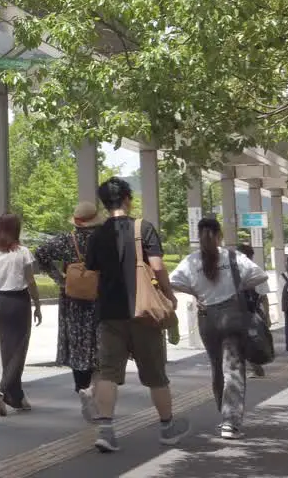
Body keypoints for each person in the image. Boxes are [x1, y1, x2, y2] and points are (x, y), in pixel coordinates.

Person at [84, 177, 191, 453]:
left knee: (108, 373)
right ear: (128, 198)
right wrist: (169, 294)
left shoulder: (97, 235)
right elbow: (156, 266)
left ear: (104, 203)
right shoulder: (143, 227)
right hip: (144, 312)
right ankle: (167, 428)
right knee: (156, 374)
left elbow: (93, 271)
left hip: (109, 312)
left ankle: (106, 430)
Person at [170, 216, 268, 440]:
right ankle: (230, 422)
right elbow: (260, 275)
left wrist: (196, 292)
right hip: (232, 315)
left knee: (216, 366)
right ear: (220, 234)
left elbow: (173, 281)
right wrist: (238, 286)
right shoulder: (233, 257)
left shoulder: (192, 260)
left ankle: (222, 413)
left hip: (207, 318)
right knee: (233, 367)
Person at [34, 202, 104, 422]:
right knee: (98, 345)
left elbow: (40, 254)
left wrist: (60, 280)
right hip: (97, 298)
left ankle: (80, 387)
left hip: (72, 299)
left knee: (76, 345)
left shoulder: (64, 240)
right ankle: (93, 390)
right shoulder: (103, 241)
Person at [0, 213, 42, 416]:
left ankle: (17, 398)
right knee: (19, 350)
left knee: (8, 350)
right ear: (16, 229)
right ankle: (1, 390)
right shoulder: (22, 252)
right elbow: (31, 281)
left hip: (1, 303)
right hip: (19, 301)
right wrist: (38, 305)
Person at [234, 244, 268, 378]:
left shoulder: (234, 271)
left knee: (241, 341)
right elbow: (264, 297)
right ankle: (255, 368)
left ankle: (254, 368)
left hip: (238, 312)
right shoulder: (257, 270)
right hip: (254, 312)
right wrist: (267, 316)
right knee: (251, 340)